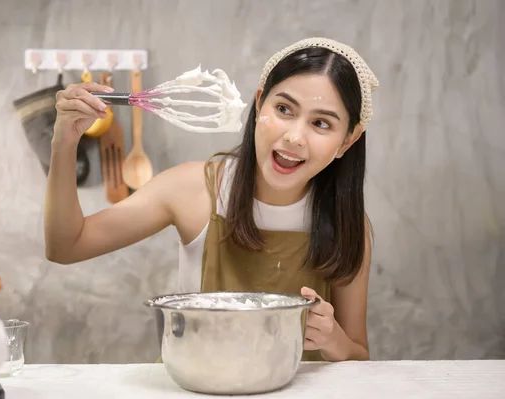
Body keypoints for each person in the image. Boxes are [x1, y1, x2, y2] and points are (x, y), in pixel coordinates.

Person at [44, 37, 379, 362]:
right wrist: (64, 142)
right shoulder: (193, 189)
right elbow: (66, 246)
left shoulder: (347, 224)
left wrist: (334, 340)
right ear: (259, 103)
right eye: (283, 109)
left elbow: (357, 353)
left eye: (321, 123)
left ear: (348, 140)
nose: (294, 137)